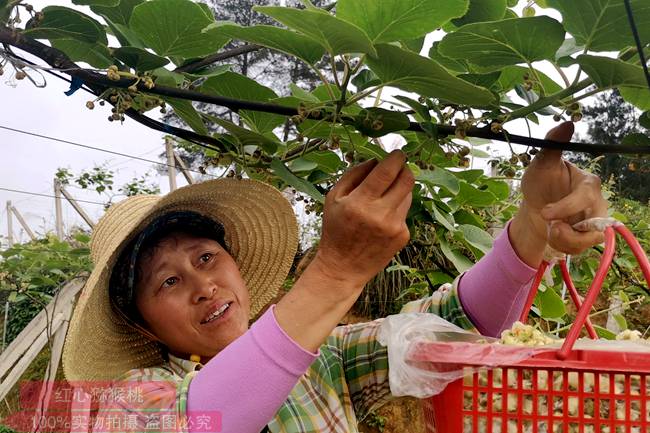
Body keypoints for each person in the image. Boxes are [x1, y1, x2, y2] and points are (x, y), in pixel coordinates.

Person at [61, 122, 607, 433]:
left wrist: (533, 229)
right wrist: (337, 271)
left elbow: (457, 327)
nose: (202, 285)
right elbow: (203, 423)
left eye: (205, 258)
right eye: (167, 282)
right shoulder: (128, 403)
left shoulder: (324, 357)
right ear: (146, 327)